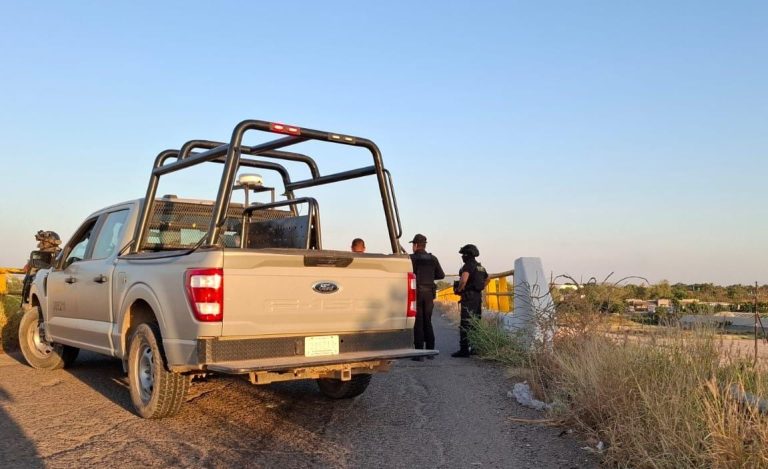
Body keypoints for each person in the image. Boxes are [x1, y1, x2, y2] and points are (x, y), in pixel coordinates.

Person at [409, 233, 445, 361]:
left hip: (416, 293)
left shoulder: (411, 258)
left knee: (418, 322)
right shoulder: (433, 258)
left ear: (415, 245)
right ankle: (430, 351)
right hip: (429, 293)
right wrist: (429, 276)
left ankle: (418, 354)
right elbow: (441, 275)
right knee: (428, 321)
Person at [452, 243, 490, 358]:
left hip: (468, 296)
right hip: (478, 297)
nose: (462, 256)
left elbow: (463, 280)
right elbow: (488, 278)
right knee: (475, 322)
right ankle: (475, 348)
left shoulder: (468, 265)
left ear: (467, 255)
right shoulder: (480, 267)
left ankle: (464, 350)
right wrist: (482, 286)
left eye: (463, 254)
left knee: (465, 323)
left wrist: (459, 289)